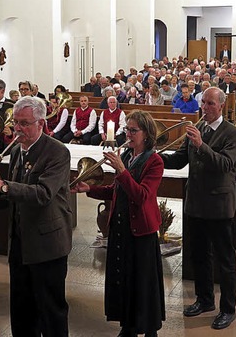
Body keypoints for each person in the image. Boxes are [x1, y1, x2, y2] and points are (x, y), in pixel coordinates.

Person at [0, 96, 73, 336]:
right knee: (21, 307)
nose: (18, 129)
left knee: (51, 309)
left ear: (41, 124)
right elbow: (13, 194)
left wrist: (2, 186)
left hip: (48, 243)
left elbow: (43, 194)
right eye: (15, 122)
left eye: (25, 123)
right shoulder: (18, 150)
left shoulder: (57, 152)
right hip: (20, 241)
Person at [72, 110, 165, 337]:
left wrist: (122, 171)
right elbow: (116, 190)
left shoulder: (154, 161)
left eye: (134, 130)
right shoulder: (127, 156)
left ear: (146, 133)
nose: (129, 134)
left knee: (143, 281)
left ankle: (149, 327)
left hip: (141, 230)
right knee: (124, 279)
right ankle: (128, 325)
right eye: (127, 130)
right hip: (121, 227)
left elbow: (142, 195)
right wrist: (90, 189)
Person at [160, 87, 236, 330]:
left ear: (221, 106)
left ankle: (228, 308)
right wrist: (155, 157)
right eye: (203, 103)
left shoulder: (232, 133)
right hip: (195, 202)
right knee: (199, 254)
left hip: (218, 204)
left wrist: (202, 145)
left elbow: (226, 165)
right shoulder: (199, 129)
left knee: (224, 259)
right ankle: (205, 300)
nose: (204, 108)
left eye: (210, 104)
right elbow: (180, 159)